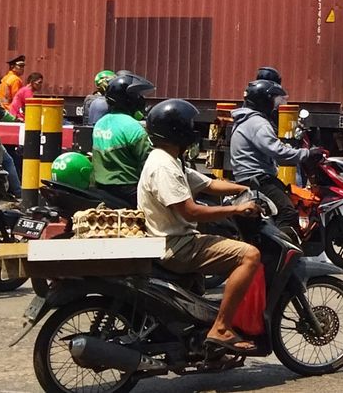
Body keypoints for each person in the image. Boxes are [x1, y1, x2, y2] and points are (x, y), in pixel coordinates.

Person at [138, 98, 263, 354]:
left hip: (172, 242)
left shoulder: (170, 159)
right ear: (178, 130)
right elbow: (191, 210)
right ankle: (221, 328)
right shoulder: (163, 165)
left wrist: (247, 188)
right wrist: (236, 208)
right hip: (177, 246)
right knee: (250, 255)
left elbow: (207, 184)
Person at [229, 79, 320, 230]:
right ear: (265, 101)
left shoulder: (245, 119)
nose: (277, 106)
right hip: (258, 180)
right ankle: (279, 252)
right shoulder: (258, 123)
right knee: (288, 213)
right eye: (275, 101)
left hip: (251, 177)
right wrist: (307, 154)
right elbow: (277, 151)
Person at [91, 72, 155, 207]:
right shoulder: (133, 127)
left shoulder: (100, 123)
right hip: (129, 191)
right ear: (129, 99)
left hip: (102, 188)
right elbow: (150, 162)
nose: (140, 99)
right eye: (137, 95)